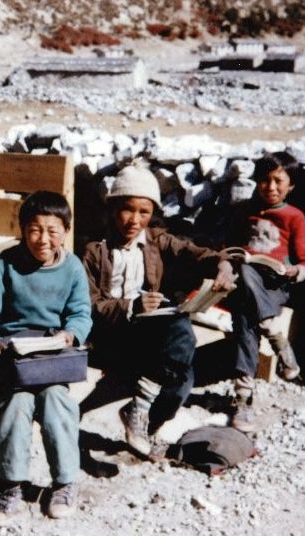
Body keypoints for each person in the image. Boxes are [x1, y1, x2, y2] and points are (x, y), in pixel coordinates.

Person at [82, 159, 236, 456]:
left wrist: (223, 264)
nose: (134, 220)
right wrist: (130, 306)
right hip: (111, 336)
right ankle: (139, 411)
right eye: (127, 209)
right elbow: (87, 304)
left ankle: (145, 422)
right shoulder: (94, 251)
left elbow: (196, 254)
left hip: (148, 334)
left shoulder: (156, 241)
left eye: (144, 212)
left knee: (183, 377)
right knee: (182, 337)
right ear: (113, 208)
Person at [0, 191, 92, 528]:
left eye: (52, 230)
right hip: (14, 358)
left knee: (57, 403)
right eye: (35, 229)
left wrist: (70, 334)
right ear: (22, 230)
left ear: (65, 232)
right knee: (16, 404)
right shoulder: (5, 264)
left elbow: (81, 312)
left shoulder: (73, 268)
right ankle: (10, 487)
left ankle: (65, 482)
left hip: (53, 358)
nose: (43, 239)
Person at [223, 154, 305, 432]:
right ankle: (273, 332)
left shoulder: (295, 217)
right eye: (264, 180)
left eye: (278, 181)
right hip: (245, 283)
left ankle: (243, 398)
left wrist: (295, 272)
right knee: (246, 281)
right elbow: (229, 248)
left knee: (245, 313)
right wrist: (226, 263)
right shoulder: (245, 212)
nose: (270, 187)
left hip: (274, 286)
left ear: (291, 186)